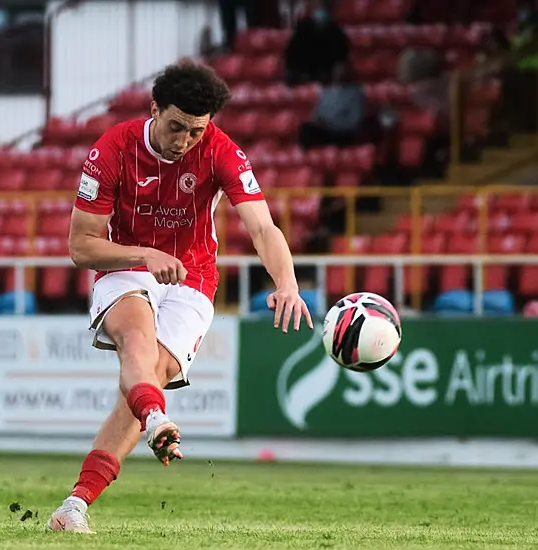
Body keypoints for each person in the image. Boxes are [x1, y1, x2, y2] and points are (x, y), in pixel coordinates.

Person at [47, 60, 314, 534]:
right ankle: (155, 416)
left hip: (193, 278)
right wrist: (144, 254)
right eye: (176, 127)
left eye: (196, 131)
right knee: (137, 343)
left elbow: (262, 226)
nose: (185, 140)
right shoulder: (112, 149)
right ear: (154, 109)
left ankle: (74, 505)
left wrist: (287, 283)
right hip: (125, 265)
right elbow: (80, 246)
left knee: (151, 375)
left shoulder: (221, 152)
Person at [298, 62, 365, 150]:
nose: (338, 73)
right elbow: (316, 115)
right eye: (337, 71)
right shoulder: (326, 92)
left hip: (341, 132)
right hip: (325, 129)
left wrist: (331, 124)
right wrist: (318, 121)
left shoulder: (356, 93)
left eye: (342, 71)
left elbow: (354, 122)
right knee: (306, 129)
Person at [284, 0, 349, 86]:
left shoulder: (336, 31)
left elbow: (342, 57)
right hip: (304, 76)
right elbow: (291, 58)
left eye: (325, 4)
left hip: (327, 78)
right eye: (320, 3)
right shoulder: (303, 29)